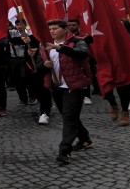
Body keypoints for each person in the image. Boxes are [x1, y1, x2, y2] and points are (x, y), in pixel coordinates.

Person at [39, 20, 92, 165]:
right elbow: (39, 67)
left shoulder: (77, 42)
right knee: (69, 116)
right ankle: (85, 139)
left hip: (74, 86)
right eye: (50, 29)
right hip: (57, 86)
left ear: (65, 29)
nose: (52, 31)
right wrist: (44, 65)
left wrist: (58, 47)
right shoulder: (45, 46)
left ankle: (64, 151)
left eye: (55, 28)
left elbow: (82, 54)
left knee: (69, 118)